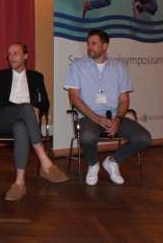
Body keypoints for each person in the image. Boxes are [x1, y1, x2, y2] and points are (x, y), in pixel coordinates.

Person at [63, 29, 152, 185]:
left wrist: (118, 119)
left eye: (94, 43)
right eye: (88, 43)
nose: (89, 46)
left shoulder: (120, 68)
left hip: (114, 116)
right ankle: (93, 165)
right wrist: (96, 118)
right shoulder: (78, 66)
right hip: (89, 117)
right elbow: (74, 98)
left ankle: (113, 161)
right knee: (88, 137)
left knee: (144, 138)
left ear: (105, 46)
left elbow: (124, 100)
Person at [0, 43, 69, 201]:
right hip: (1, 118)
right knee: (26, 108)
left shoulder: (36, 77)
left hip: (24, 122)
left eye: (16, 53)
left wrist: (37, 108)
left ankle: (19, 184)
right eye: (9, 54)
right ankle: (46, 163)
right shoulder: (0, 75)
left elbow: (45, 103)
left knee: (21, 127)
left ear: (25, 56)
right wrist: (26, 109)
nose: (11, 57)